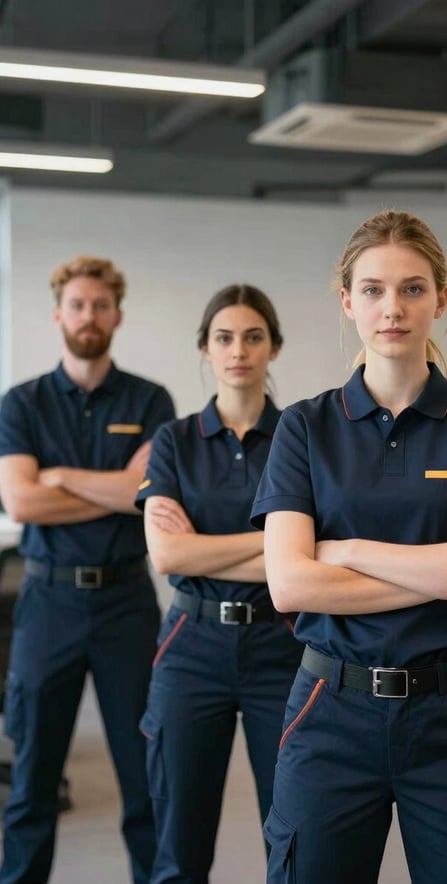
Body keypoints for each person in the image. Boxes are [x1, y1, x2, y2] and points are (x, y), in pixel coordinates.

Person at [250, 210, 447, 884]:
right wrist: (444, 568)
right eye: (373, 290)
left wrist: (344, 550)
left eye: (412, 289)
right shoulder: (305, 427)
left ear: (441, 299)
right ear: (347, 302)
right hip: (330, 710)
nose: (393, 308)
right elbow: (290, 585)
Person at [0, 256, 175, 884]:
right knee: (32, 781)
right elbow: (20, 502)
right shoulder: (21, 403)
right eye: (77, 305)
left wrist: (63, 477)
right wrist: (115, 487)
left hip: (126, 603)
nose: (89, 316)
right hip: (48, 604)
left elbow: (145, 491)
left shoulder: (150, 400)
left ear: (117, 316)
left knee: (143, 774)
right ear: (58, 315)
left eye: (100, 306)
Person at [135, 283, 304, 883]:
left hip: (280, 643)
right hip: (192, 646)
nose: (239, 350)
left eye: (253, 337)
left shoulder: (301, 436)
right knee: (180, 837)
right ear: (205, 349)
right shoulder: (174, 441)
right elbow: (166, 554)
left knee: (291, 830)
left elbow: (310, 557)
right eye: (224, 338)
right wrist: (271, 547)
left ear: (274, 347)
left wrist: (201, 551)